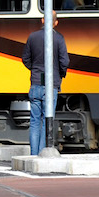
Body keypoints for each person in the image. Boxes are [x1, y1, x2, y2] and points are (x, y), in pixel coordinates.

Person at [21, 11, 69, 156]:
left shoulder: (32, 37)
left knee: (35, 121)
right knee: (46, 120)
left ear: (42, 20)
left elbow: (25, 58)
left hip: (35, 83)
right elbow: (64, 62)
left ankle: (33, 155)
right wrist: (60, 74)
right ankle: (42, 154)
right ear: (56, 23)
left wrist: (35, 70)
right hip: (51, 84)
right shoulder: (59, 39)